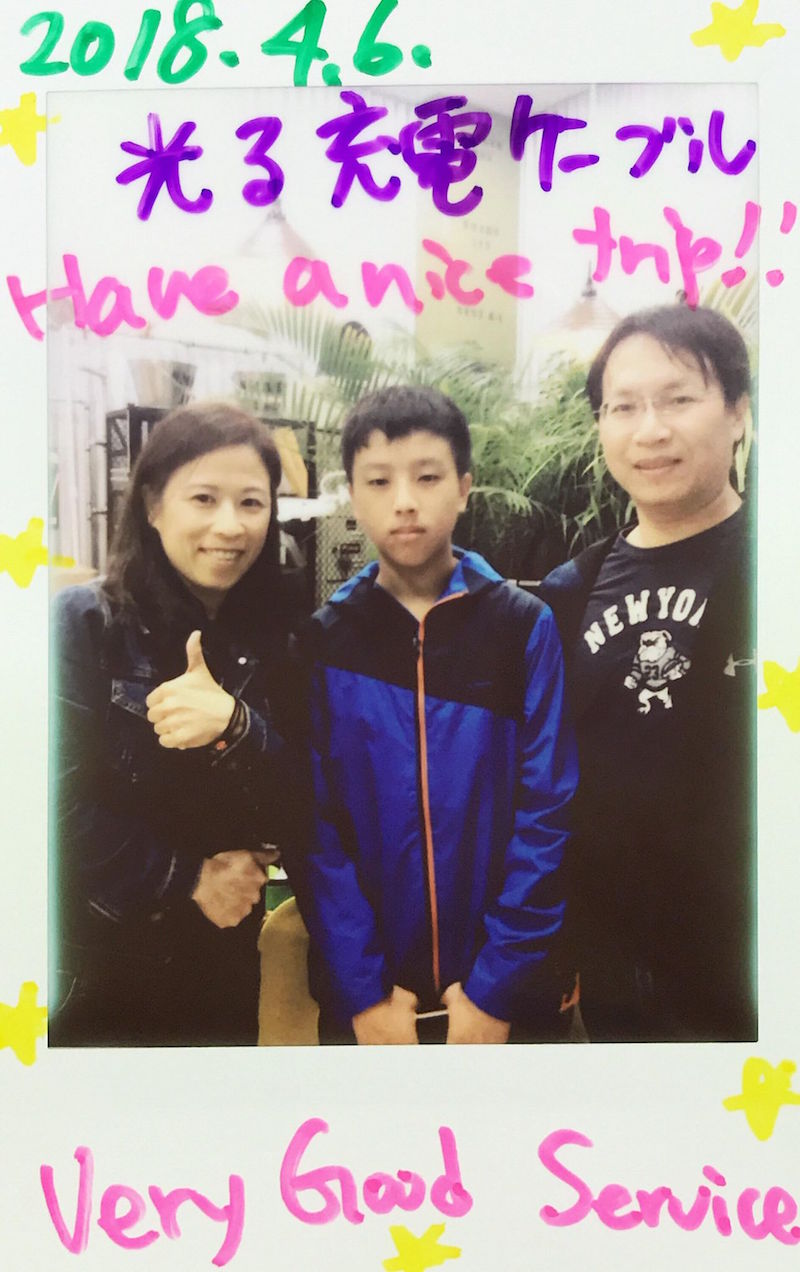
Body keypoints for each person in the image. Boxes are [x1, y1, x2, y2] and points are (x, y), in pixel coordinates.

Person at [303, 385, 577, 1044]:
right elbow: (314, 827)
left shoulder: (523, 627)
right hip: (373, 1005)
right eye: (379, 481)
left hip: (505, 999)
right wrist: (363, 989)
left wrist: (496, 987)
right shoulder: (325, 640)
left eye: (427, 477)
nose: (404, 500)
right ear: (353, 495)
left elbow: (548, 810)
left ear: (463, 489)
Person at [50, 402, 301, 1047]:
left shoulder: (280, 640)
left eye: (251, 502)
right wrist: (187, 877)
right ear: (153, 506)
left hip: (225, 963)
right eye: (204, 499)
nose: (230, 525)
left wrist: (238, 725)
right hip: (102, 964)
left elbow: (308, 799)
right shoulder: (84, 625)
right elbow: (46, 806)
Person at [538, 304, 757, 1042]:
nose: (650, 430)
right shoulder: (570, 592)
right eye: (623, 407)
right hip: (614, 979)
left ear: (738, 412)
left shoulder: (778, 571)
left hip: (753, 974)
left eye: (678, 399)